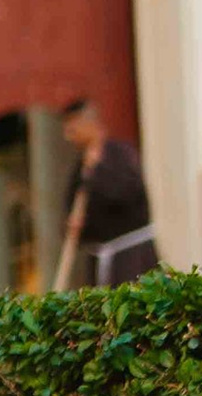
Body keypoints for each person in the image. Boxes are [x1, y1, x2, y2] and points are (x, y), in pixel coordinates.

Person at [56, 96, 158, 288]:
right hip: (100, 261)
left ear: (89, 124)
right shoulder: (79, 169)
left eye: (72, 129)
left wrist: (96, 173)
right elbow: (72, 211)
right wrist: (73, 225)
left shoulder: (121, 155)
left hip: (132, 258)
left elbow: (125, 194)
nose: (68, 137)